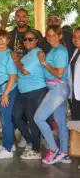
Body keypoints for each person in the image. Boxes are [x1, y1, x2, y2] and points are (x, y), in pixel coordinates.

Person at [8, 8, 44, 148]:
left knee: (32, 116)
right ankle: (27, 137)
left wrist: (17, 60)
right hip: (17, 82)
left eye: (24, 16)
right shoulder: (11, 35)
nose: (21, 18)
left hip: (34, 87)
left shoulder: (36, 37)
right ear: (15, 18)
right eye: (18, 16)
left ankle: (34, 144)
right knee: (16, 115)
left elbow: (27, 68)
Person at [34, 26, 70, 164]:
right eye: (48, 35)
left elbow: (59, 73)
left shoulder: (59, 51)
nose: (50, 38)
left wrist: (44, 62)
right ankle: (65, 154)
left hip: (58, 88)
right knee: (61, 123)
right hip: (57, 88)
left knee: (39, 118)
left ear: (60, 36)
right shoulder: (55, 50)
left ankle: (54, 150)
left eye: (54, 35)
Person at [12, 30, 47, 160]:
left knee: (33, 121)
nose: (27, 42)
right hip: (23, 92)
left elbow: (25, 71)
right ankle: (30, 141)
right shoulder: (27, 55)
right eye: (25, 40)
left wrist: (16, 61)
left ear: (36, 40)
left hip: (36, 91)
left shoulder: (38, 53)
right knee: (16, 116)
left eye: (30, 39)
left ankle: (36, 150)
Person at [0, 30, 18, 159]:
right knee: (4, 118)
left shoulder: (9, 55)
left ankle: (8, 149)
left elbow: (13, 77)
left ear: (8, 40)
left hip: (7, 90)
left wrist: (5, 94)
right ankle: (9, 142)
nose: (0, 41)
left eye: (3, 38)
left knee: (5, 119)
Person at [69, 27, 80, 121]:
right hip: (75, 94)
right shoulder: (76, 51)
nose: (76, 39)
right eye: (74, 36)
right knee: (76, 124)